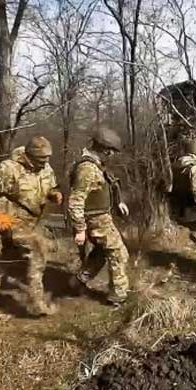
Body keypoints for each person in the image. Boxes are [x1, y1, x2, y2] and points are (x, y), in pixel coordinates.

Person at [0, 136, 63, 317]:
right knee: (38, 249)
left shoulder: (46, 168)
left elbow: (51, 186)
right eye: (40, 159)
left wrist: (54, 194)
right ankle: (36, 304)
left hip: (32, 221)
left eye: (47, 158)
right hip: (11, 221)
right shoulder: (9, 169)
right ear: (28, 156)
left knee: (9, 259)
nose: (45, 162)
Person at [68, 127, 130, 306]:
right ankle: (118, 296)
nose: (111, 155)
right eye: (110, 152)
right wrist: (80, 229)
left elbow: (105, 185)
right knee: (119, 254)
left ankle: (78, 281)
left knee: (102, 252)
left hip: (100, 217)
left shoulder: (95, 165)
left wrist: (118, 202)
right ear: (104, 149)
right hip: (96, 219)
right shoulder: (87, 168)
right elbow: (76, 200)